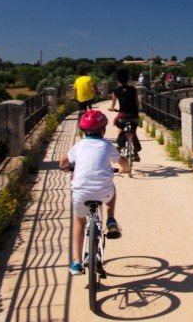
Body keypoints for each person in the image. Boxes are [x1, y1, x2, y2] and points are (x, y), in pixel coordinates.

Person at [60, 109, 128, 275]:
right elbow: (123, 162)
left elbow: (63, 162)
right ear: (103, 130)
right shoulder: (107, 145)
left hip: (80, 192)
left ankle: (76, 262)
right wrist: (123, 169)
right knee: (112, 190)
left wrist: (68, 168)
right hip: (102, 191)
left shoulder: (78, 146)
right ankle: (111, 219)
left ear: (82, 131)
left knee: (79, 222)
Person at [110, 68, 142, 161]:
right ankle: (135, 152)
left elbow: (113, 104)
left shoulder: (116, 91)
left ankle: (120, 146)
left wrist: (112, 109)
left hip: (123, 116)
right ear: (127, 79)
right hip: (134, 115)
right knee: (133, 131)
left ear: (118, 80)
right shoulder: (133, 89)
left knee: (120, 128)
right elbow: (137, 103)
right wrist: (138, 109)